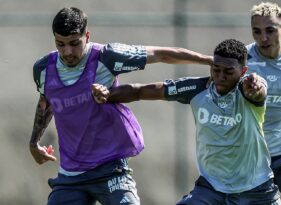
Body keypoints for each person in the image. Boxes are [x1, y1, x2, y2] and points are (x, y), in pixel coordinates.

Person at [29, 7, 213, 205]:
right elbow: (46, 102)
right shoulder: (43, 70)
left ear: (87, 36)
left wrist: (209, 61)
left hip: (110, 169)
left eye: (74, 43)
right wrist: (34, 142)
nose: (68, 52)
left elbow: (160, 54)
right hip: (70, 175)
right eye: (60, 44)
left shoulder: (107, 57)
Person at [93, 39, 281, 205]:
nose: (221, 76)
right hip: (212, 189)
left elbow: (259, 90)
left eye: (229, 72)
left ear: (243, 71)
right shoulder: (198, 89)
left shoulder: (247, 92)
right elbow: (141, 91)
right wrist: (107, 94)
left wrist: (257, 86)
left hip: (256, 189)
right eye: (216, 69)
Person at [247, 2, 281, 204]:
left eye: (270, 30)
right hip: (249, 156)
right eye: (257, 32)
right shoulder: (242, 61)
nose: (263, 38)